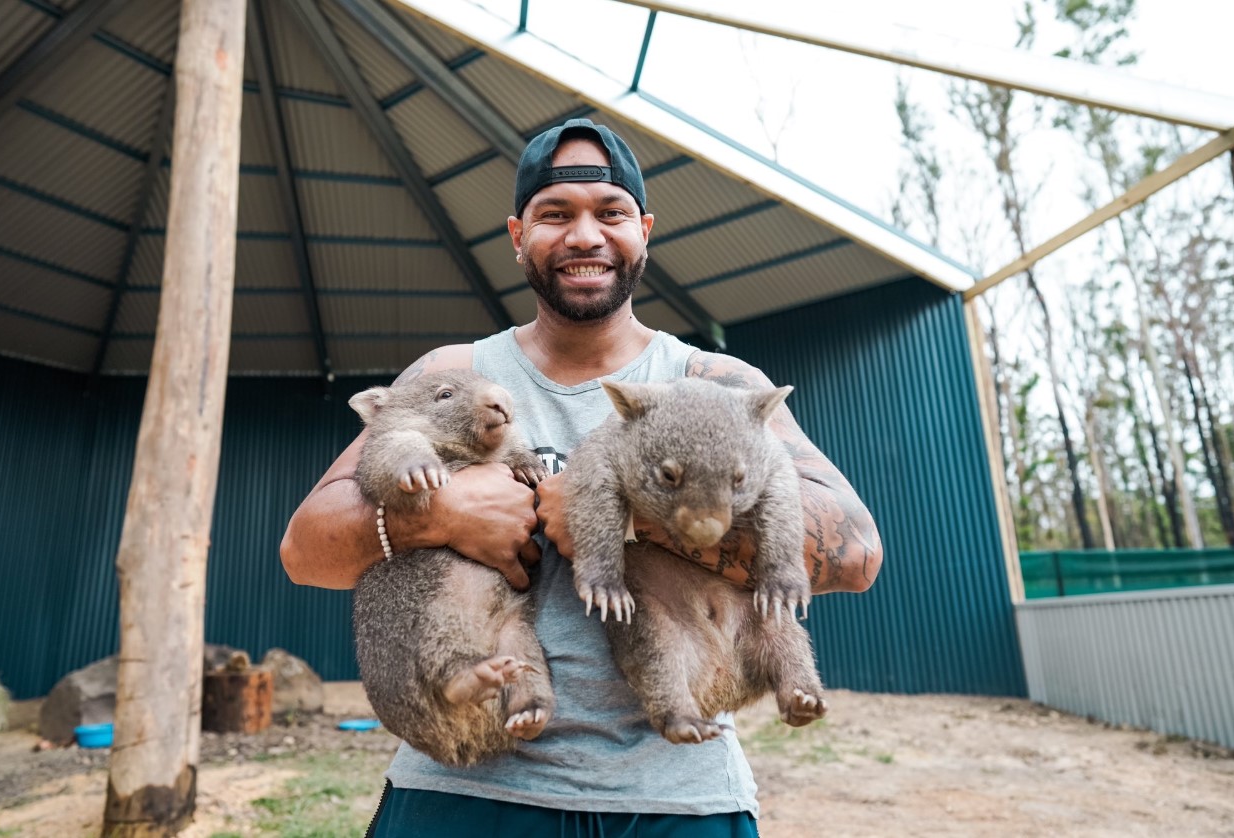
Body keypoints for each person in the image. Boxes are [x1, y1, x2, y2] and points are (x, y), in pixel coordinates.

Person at [280, 118, 883, 837]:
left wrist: (624, 515)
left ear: (644, 230)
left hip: (675, 793)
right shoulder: (452, 376)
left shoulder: (713, 382)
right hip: (463, 792)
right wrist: (440, 516)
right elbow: (304, 551)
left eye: (611, 212)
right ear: (517, 235)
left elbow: (855, 553)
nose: (585, 236)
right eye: (556, 215)